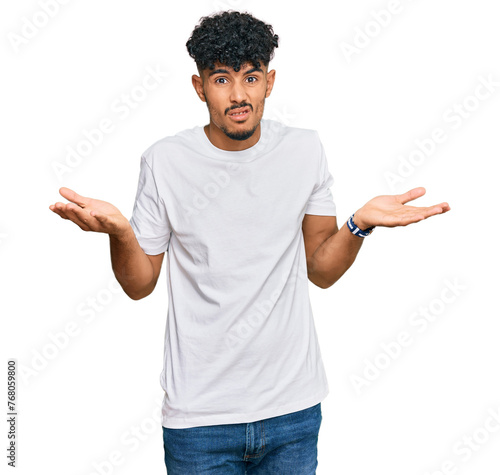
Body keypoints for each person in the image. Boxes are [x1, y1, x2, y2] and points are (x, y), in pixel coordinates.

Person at [49, 10, 450, 474]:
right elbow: (140, 283)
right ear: (199, 88)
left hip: (293, 412)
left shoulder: (305, 150)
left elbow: (320, 270)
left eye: (250, 77)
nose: (238, 95)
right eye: (221, 79)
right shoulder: (165, 162)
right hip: (200, 421)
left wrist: (359, 224)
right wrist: (121, 234)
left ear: (269, 81)